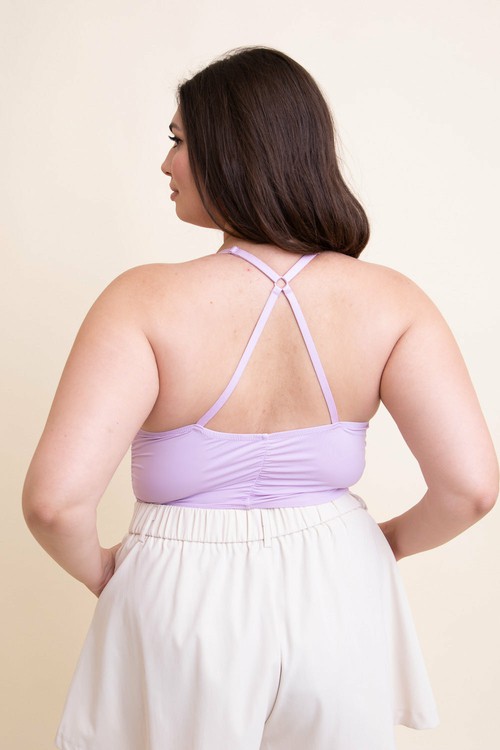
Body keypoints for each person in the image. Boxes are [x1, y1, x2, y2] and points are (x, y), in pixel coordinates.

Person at [23, 47, 497, 750]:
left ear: (232, 149)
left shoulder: (141, 301)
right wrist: (381, 545)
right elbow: (472, 489)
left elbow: (54, 504)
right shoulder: (392, 302)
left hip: (179, 595)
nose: (166, 163)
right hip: (342, 584)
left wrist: (111, 577)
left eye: (179, 140)